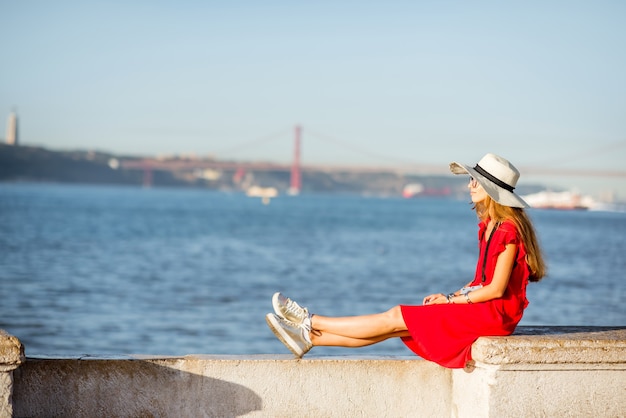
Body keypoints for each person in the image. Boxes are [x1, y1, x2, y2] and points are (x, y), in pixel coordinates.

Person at [265, 153, 546, 369]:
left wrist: (450, 302)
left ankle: (309, 319)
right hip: (485, 309)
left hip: (494, 316)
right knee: (397, 325)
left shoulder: (508, 230)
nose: (470, 184)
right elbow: (481, 282)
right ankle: (310, 337)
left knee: (397, 316)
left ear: (491, 190)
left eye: (475, 180)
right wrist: (452, 295)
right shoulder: (490, 226)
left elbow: (496, 290)